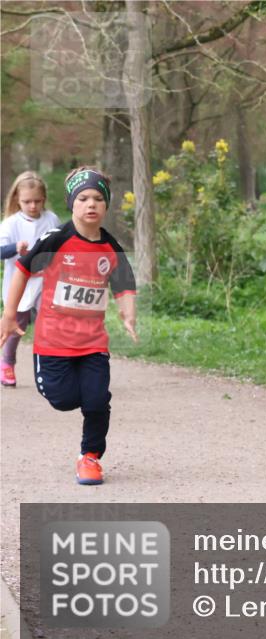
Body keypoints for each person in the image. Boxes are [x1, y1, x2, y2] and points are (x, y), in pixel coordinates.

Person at [0, 166, 138, 485]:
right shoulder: (56, 239)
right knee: (63, 399)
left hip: (93, 343)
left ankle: (90, 457)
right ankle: (78, 396)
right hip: (53, 343)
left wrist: (128, 314)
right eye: (83, 198)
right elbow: (22, 270)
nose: (91, 204)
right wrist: (9, 314)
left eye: (98, 199)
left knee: (97, 400)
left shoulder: (110, 247)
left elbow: (124, 285)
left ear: (106, 205)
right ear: (71, 204)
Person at [0, 171, 61, 386]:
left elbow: (59, 246)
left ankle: (50, 365)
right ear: (17, 199)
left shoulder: (51, 219)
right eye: (27, 202)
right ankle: (7, 363)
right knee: (17, 325)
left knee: (49, 322)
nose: (33, 206)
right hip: (19, 283)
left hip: (45, 281)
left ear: (44, 199)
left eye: (37, 201)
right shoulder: (11, 223)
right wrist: (15, 247)